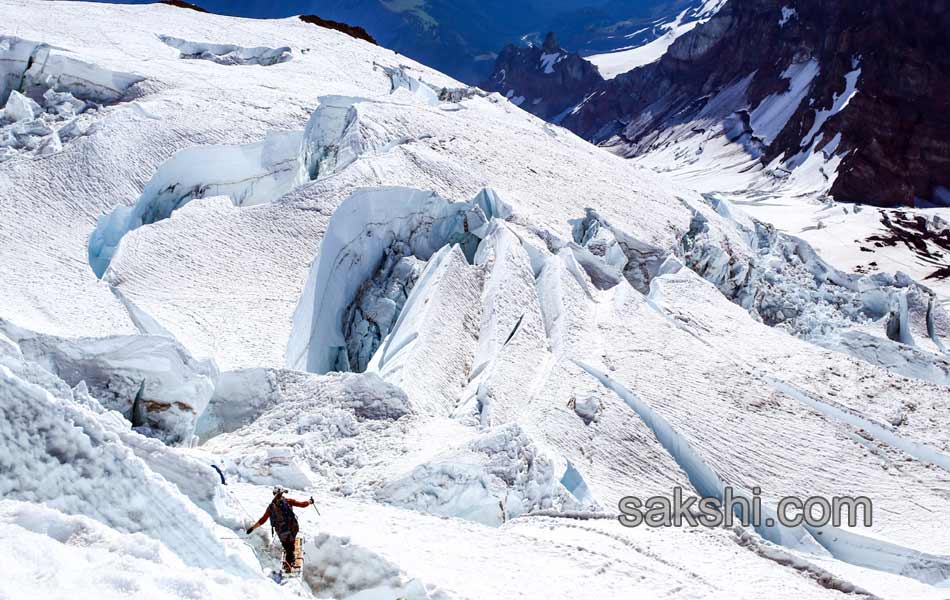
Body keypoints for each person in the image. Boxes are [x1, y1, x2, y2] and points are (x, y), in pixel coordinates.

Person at [246, 487, 314, 571]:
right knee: (290, 547)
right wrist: (310, 501)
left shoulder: (270, 508)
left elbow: (262, 520)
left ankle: (289, 561)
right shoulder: (288, 501)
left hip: (282, 533)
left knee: (288, 547)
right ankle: (289, 565)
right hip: (293, 528)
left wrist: (252, 528)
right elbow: (302, 504)